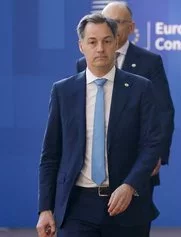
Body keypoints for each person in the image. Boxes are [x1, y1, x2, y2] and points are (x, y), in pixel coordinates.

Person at [36, 13, 162, 237]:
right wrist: (45, 208)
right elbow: (50, 155)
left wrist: (130, 185)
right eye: (92, 42)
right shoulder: (63, 91)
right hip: (76, 207)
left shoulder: (141, 88)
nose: (100, 49)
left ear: (116, 43)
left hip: (126, 205)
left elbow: (152, 145)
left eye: (106, 41)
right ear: (81, 46)